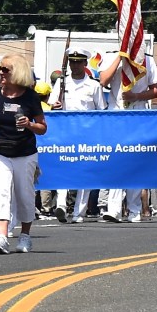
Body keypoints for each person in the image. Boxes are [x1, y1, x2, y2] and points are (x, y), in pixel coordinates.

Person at [0, 54, 47, 255]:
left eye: (5, 70)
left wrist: (29, 124)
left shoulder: (30, 97)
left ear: (18, 72)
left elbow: (42, 127)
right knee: (1, 191)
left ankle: (25, 236)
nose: (0, 73)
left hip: (24, 152)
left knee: (24, 194)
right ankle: (2, 236)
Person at [98, 47, 157, 222]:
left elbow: (155, 91)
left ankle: (134, 209)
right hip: (116, 117)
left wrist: (137, 96)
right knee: (116, 161)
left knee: (135, 162)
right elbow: (103, 80)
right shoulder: (110, 56)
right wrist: (120, 58)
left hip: (137, 116)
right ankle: (114, 208)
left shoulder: (147, 60)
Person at [47, 47, 106, 223]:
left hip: (86, 134)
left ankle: (79, 212)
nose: (75, 65)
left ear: (85, 63)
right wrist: (55, 106)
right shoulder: (61, 83)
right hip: (65, 132)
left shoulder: (94, 85)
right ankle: (62, 205)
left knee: (84, 171)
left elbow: (101, 111)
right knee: (63, 168)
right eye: (72, 61)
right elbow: (52, 106)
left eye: (78, 62)